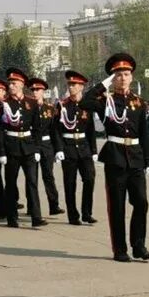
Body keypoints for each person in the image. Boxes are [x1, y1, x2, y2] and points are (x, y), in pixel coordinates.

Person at [80, 52, 149, 263]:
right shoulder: (105, 101)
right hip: (115, 158)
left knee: (141, 203)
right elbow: (85, 102)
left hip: (136, 158)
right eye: (118, 74)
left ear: (132, 77)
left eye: (126, 74)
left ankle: (139, 245)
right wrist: (102, 86)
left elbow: (145, 134)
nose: (123, 78)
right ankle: (119, 249)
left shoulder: (139, 103)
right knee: (117, 206)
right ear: (113, 78)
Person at [0, 68, 46, 228]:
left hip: (29, 147)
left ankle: (36, 216)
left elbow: (37, 128)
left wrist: (37, 149)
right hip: (11, 147)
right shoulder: (3, 104)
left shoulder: (31, 103)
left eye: (14, 83)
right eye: (10, 83)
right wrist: (2, 152)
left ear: (22, 84)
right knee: (11, 183)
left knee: (32, 182)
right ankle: (12, 216)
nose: (11, 86)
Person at [53, 70, 98, 226]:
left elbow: (91, 130)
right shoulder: (62, 105)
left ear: (81, 87)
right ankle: (73, 215)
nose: (71, 87)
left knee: (90, 179)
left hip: (84, 148)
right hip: (68, 148)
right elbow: (56, 130)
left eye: (74, 85)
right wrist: (58, 150)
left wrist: (94, 151)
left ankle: (87, 212)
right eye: (70, 84)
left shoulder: (87, 105)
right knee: (70, 183)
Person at [29, 77, 65, 217]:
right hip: (32, 144)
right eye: (33, 90)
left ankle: (54, 205)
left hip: (47, 145)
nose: (35, 92)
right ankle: (33, 207)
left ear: (44, 92)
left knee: (48, 176)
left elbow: (55, 130)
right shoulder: (28, 107)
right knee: (32, 177)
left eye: (38, 90)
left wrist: (58, 149)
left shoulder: (50, 109)